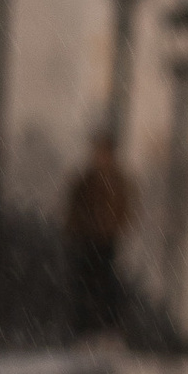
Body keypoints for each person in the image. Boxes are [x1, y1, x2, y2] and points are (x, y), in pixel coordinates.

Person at [62, 130, 135, 343]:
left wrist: (111, 228)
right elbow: (74, 208)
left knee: (106, 284)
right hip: (86, 240)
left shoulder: (117, 181)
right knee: (85, 283)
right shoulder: (86, 180)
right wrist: (78, 229)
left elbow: (124, 210)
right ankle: (84, 329)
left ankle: (106, 329)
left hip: (106, 241)